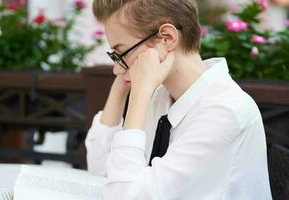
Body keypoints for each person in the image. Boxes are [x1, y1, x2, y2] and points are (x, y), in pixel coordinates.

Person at [85, 0, 272, 199]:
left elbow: (125, 195)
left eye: (121, 53)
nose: (116, 68)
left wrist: (139, 93)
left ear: (166, 38)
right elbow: (101, 171)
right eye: (115, 56)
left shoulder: (223, 111)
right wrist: (121, 84)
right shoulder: (162, 97)